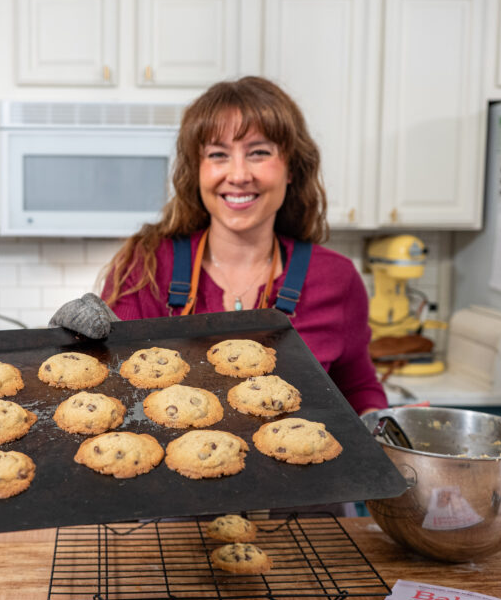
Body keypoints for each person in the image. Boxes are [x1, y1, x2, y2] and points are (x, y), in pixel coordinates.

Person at [95, 76, 387, 417]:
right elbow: (108, 385)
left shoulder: (335, 278)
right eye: (218, 154)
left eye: (258, 153)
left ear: (291, 167)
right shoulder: (145, 267)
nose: (238, 174)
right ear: (198, 170)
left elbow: (357, 388)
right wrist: (76, 345)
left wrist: (381, 424)